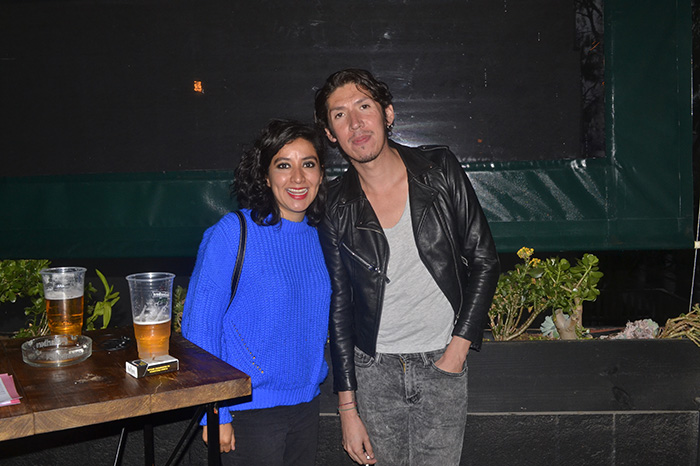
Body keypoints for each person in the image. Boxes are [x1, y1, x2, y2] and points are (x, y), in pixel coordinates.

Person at [314, 69, 500, 465]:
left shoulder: (439, 169)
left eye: (364, 106)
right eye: (340, 115)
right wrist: (347, 409)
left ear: (387, 114)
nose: (355, 123)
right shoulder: (333, 204)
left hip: (441, 360)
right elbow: (340, 306)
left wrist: (457, 350)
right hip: (373, 369)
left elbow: (484, 259)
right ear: (330, 134)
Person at [181, 119, 330, 466]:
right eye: (284, 165)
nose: (298, 178)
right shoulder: (233, 232)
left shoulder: (320, 238)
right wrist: (215, 413)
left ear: (321, 174)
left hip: (306, 407)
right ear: (265, 176)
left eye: (308, 164)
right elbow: (199, 330)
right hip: (246, 411)